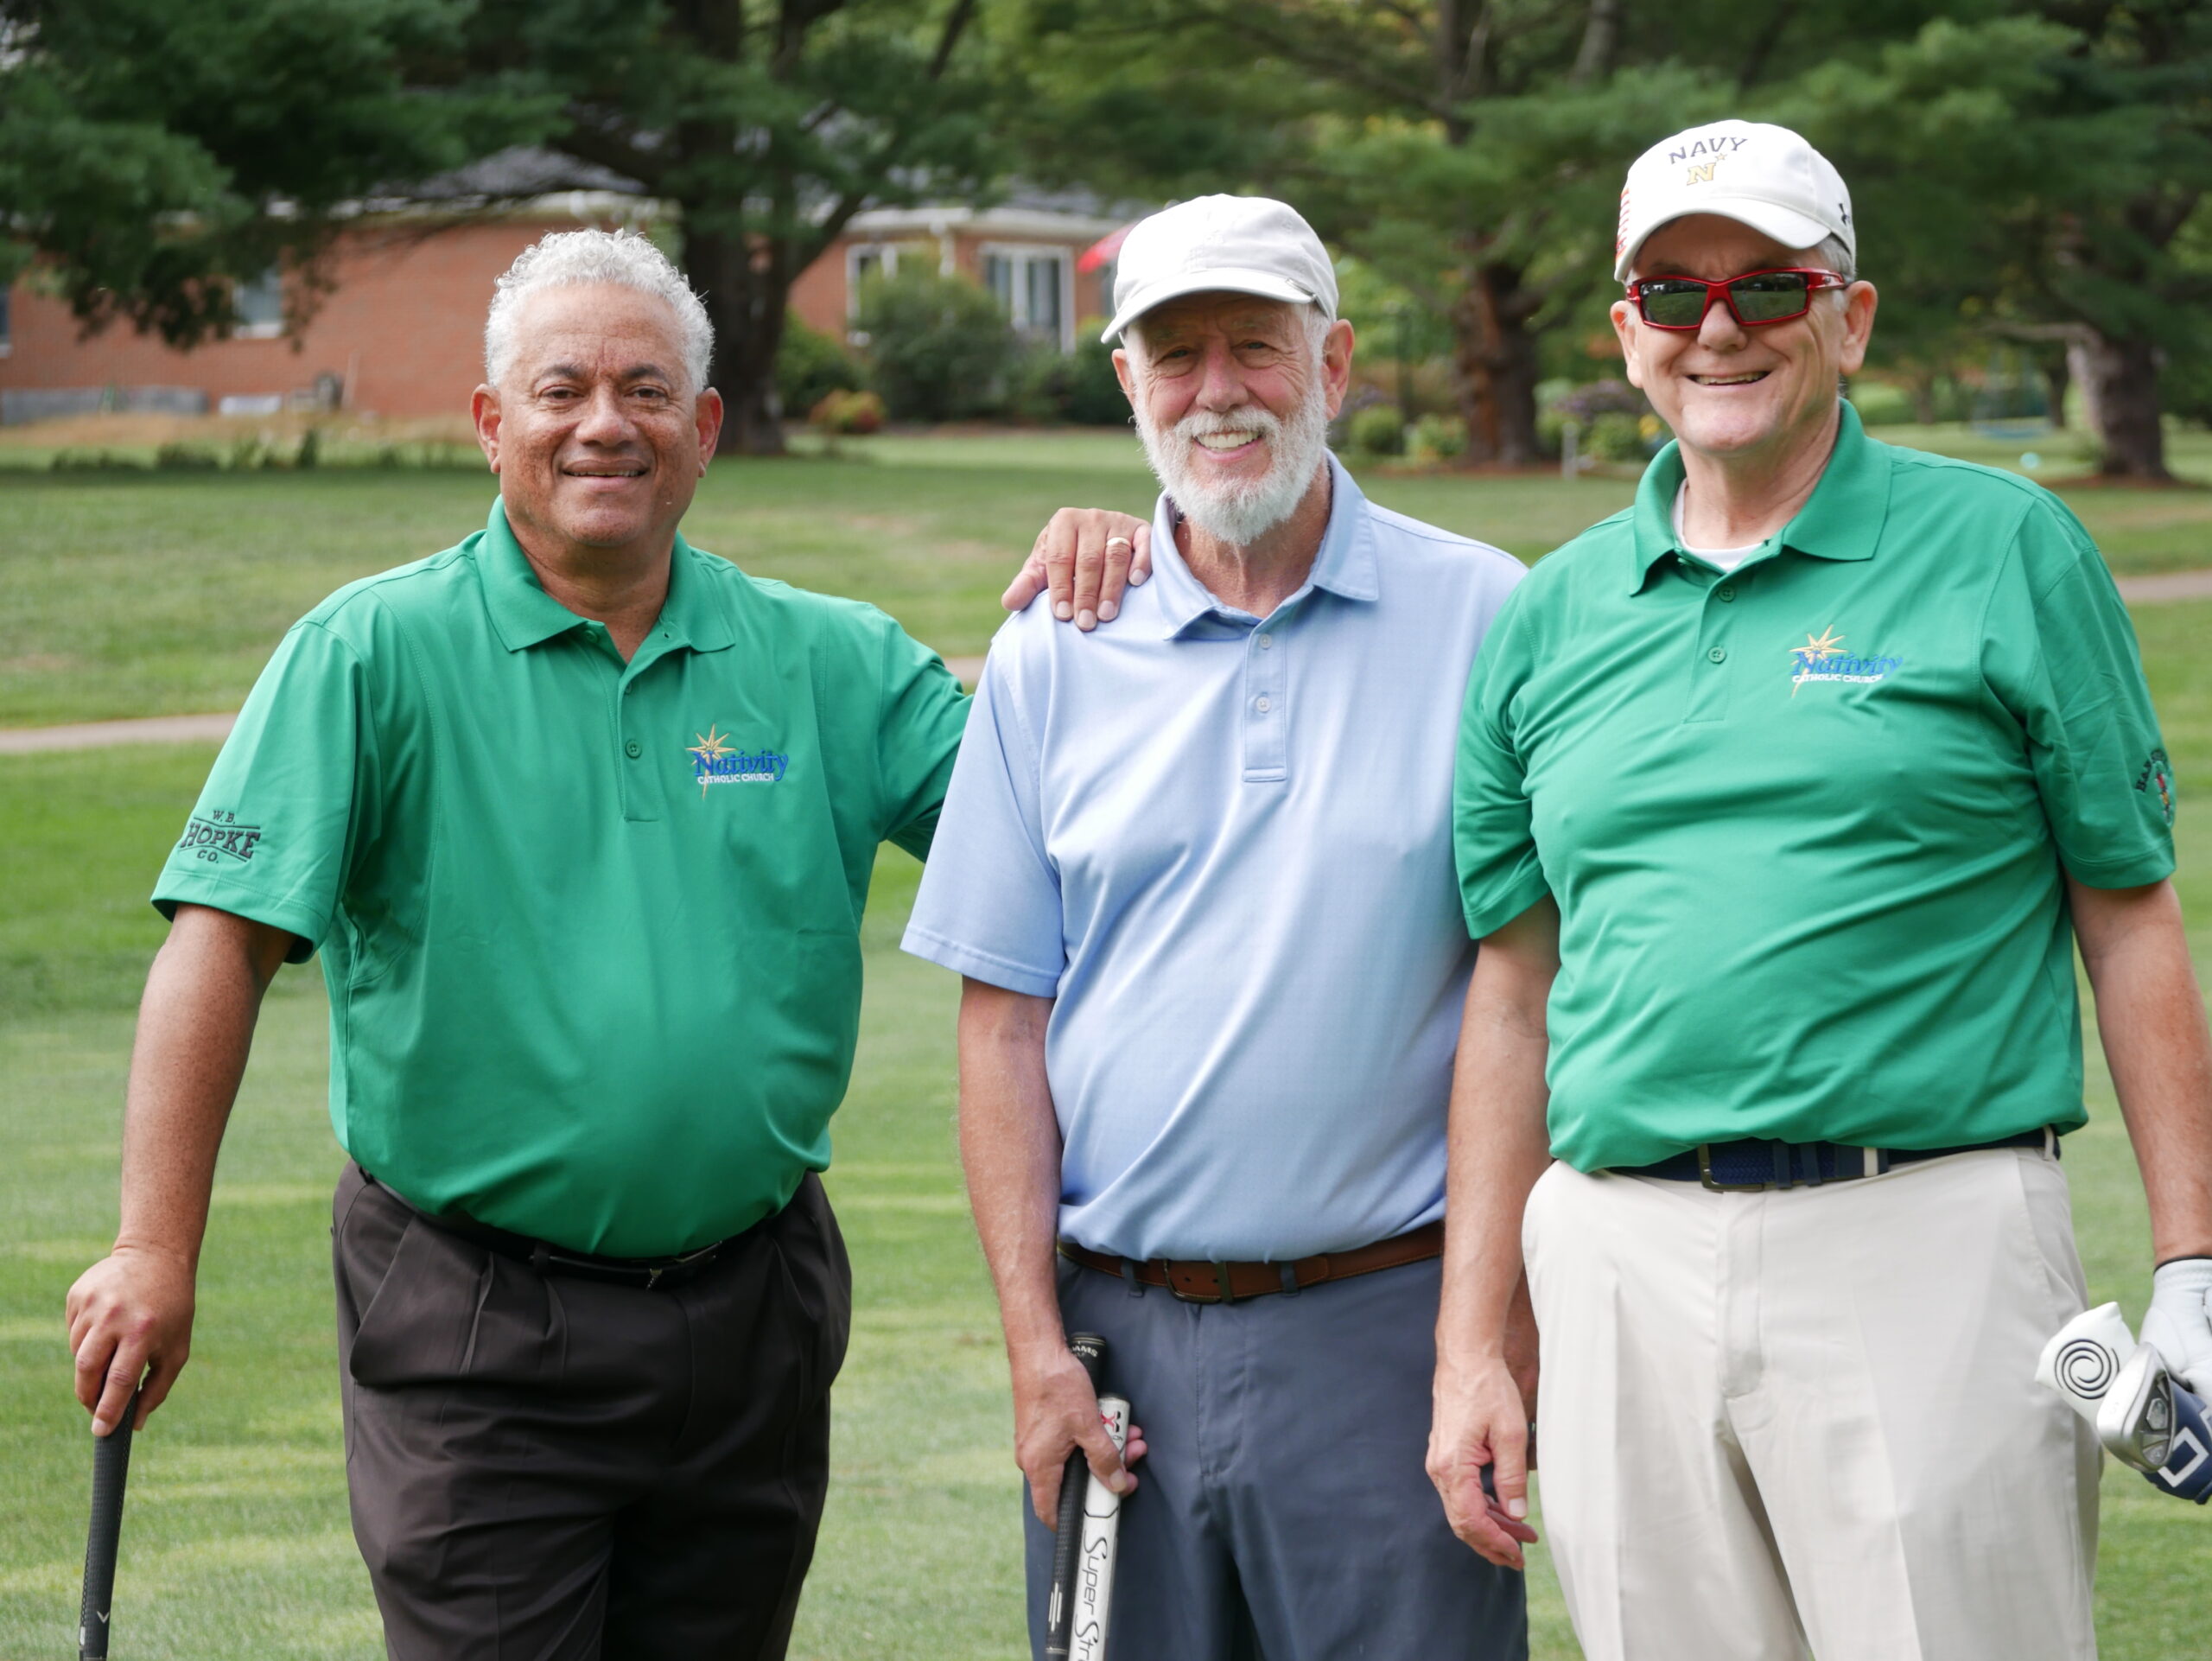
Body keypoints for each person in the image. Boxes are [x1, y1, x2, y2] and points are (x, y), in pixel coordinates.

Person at [59, 226, 1143, 1661]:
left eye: (645, 390)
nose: (602, 424)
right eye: (560, 389)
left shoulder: (831, 660)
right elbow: (217, 948)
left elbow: (1089, 847)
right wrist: (154, 1244)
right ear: (492, 427)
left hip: (755, 1307)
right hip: (474, 1320)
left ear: (701, 431)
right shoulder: (366, 653)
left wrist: (1142, 572)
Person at [1429, 119, 2212, 1661]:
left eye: (1768, 287)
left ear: (1848, 318)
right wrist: (1473, 1345)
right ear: (1627, 334)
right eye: (1673, 292)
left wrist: (2195, 1264)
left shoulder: (2005, 547)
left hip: (1929, 1229)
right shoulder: (1551, 614)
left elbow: (2127, 917)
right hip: (1615, 1256)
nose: (1718, 326)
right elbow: (1514, 992)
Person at [903, 194, 1533, 1661]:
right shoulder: (1052, 647)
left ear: (1337, 365)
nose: (1220, 389)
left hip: (1392, 1332)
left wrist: (1492, 1339)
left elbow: (1532, 990)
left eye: (1259, 344)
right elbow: (1003, 1025)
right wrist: (1033, 1350)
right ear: (1127, 381)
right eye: (1175, 354)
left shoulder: (1488, 616)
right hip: (1117, 1353)